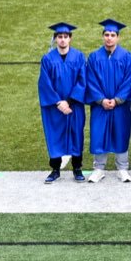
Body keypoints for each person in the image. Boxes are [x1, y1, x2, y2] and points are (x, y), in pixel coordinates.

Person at [84, 19, 131, 184]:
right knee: (99, 134)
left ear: (118, 38)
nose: (109, 38)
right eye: (106, 34)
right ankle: (99, 169)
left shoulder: (126, 57)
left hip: (120, 106)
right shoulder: (94, 57)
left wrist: (117, 99)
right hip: (100, 106)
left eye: (113, 35)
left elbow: (129, 80)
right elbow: (90, 80)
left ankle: (122, 169)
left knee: (121, 134)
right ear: (102, 36)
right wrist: (101, 100)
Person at [38, 23, 87, 184]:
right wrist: (59, 102)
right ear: (55, 39)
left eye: (66, 37)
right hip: (55, 106)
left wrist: (70, 101)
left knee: (76, 134)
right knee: (55, 134)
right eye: (60, 37)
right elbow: (45, 84)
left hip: (74, 105)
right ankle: (55, 169)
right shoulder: (47, 59)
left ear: (70, 39)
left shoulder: (79, 57)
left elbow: (82, 81)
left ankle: (77, 168)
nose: (63, 40)